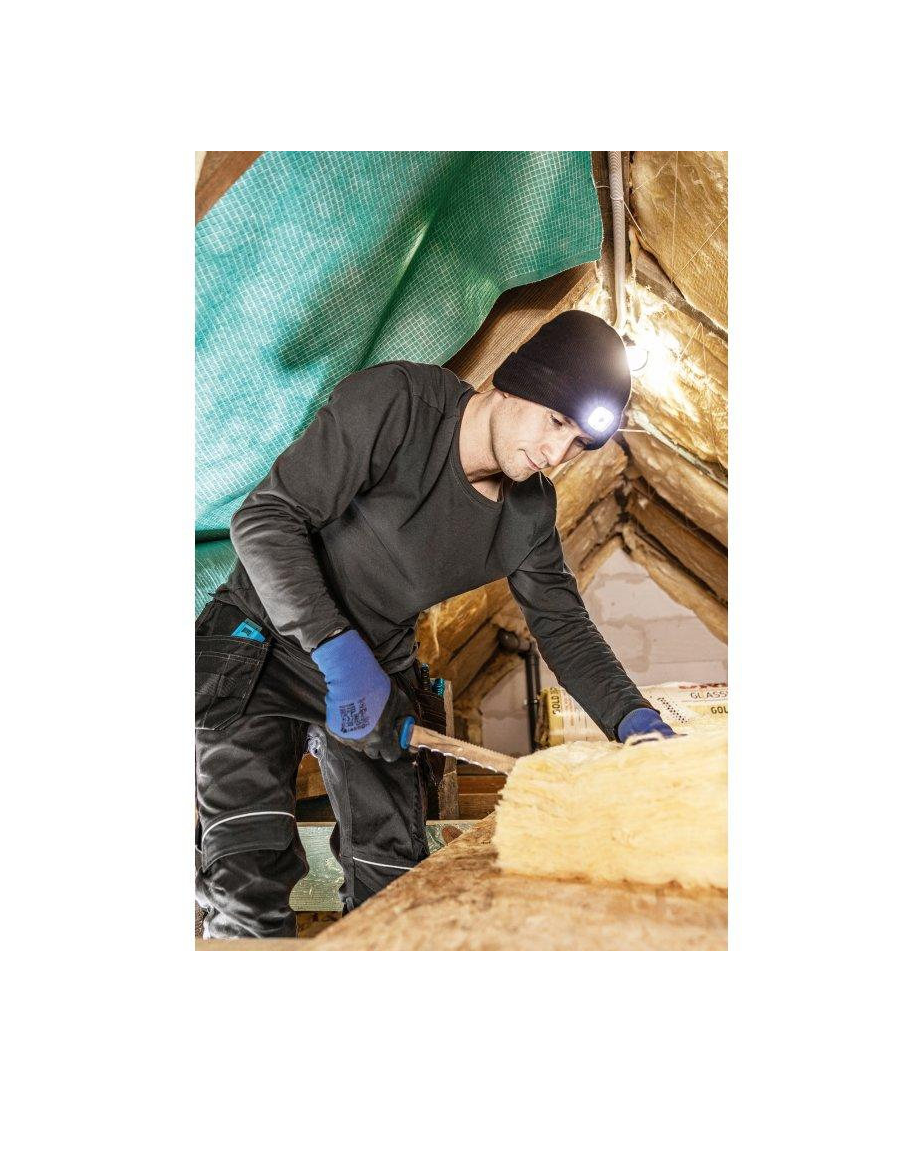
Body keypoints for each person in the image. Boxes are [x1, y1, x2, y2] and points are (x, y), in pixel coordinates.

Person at [195, 310, 676, 938]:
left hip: (377, 672)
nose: (555, 455)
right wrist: (338, 652)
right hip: (261, 644)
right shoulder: (398, 404)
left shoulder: (528, 516)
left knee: (394, 879)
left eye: (577, 445)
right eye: (556, 423)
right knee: (246, 873)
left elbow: (564, 626)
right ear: (513, 384)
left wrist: (630, 717)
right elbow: (264, 520)